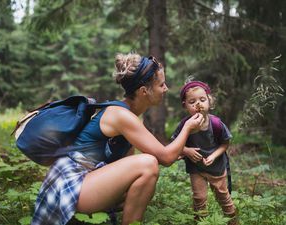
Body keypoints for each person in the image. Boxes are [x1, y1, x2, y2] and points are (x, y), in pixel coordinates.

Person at [31, 53, 204, 225]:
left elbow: (129, 165)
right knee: (148, 164)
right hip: (70, 184)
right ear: (144, 91)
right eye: (161, 84)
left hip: (86, 181)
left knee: (141, 180)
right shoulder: (120, 115)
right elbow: (165, 158)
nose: (166, 89)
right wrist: (187, 127)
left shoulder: (130, 117)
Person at [171, 81, 237, 225]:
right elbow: (175, 144)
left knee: (223, 197)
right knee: (199, 199)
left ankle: (233, 221)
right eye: (192, 101)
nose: (198, 104)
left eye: (202, 100)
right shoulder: (184, 125)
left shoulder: (216, 124)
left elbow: (225, 144)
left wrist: (213, 156)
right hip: (196, 169)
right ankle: (201, 221)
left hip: (216, 168)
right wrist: (186, 150)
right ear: (185, 106)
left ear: (209, 101)